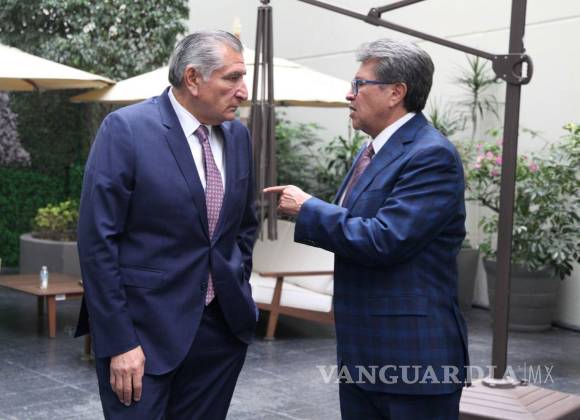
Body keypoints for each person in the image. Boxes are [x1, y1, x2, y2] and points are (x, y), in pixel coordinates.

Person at [265, 38, 469, 419]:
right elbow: (356, 227)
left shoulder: (431, 155)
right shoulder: (371, 150)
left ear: (396, 93)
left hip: (411, 360)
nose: (349, 94)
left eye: (359, 84)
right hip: (362, 354)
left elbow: (384, 238)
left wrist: (308, 208)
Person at [75, 30, 258, 419]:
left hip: (221, 336)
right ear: (193, 78)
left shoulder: (238, 136)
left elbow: (244, 225)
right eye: (232, 78)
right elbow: (97, 242)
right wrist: (119, 341)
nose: (243, 91)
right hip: (143, 338)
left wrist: (236, 283)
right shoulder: (126, 129)